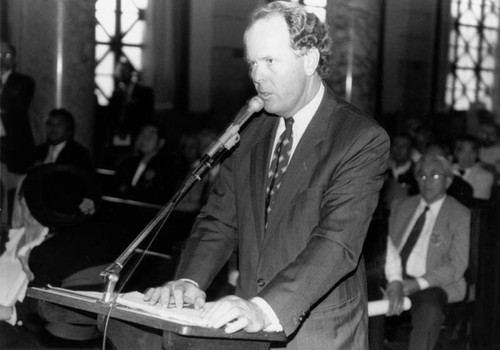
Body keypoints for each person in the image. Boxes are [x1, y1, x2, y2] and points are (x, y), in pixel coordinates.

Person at [145, 2, 390, 349]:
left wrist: (264, 308)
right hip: (247, 326)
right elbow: (219, 219)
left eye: (270, 61)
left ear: (309, 60)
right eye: (252, 64)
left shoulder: (359, 137)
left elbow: (336, 244)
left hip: (319, 333)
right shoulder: (250, 128)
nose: (257, 76)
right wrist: (190, 279)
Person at [371, 154, 470, 350]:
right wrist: (395, 281)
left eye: (434, 176)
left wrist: (417, 283)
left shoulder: (461, 214)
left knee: (429, 308)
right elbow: (387, 248)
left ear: (448, 181)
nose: (426, 181)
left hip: (434, 283)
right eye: (421, 176)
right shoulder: (402, 206)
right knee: (365, 292)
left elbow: (456, 265)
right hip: (394, 276)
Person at [0, 41, 35, 225]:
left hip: (12, 151)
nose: (2, 60)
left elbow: (17, 109)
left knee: (10, 198)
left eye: (7, 55)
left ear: (15, 59)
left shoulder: (23, 82)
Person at [113, 121, 173, 204]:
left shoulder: (165, 166)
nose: (144, 139)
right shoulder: (130, 162)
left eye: (150, 136)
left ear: (161, 142)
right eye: (143, 135)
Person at [107, 58, 154, 147]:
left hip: (137, 135)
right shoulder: (116, 93)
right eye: (119, 70)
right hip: (117, 136)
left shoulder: (144, 92)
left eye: (125, 70)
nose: (122, 73)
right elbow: (111, 116)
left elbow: (147, 116)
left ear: (131, 72)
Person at [453, 135, 494, 201]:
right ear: (456, 153)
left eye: (472, 152)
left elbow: (478, 205)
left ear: (477, 154)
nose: (467, 156)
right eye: (463, 151)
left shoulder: (486, 176)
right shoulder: (447, 170)